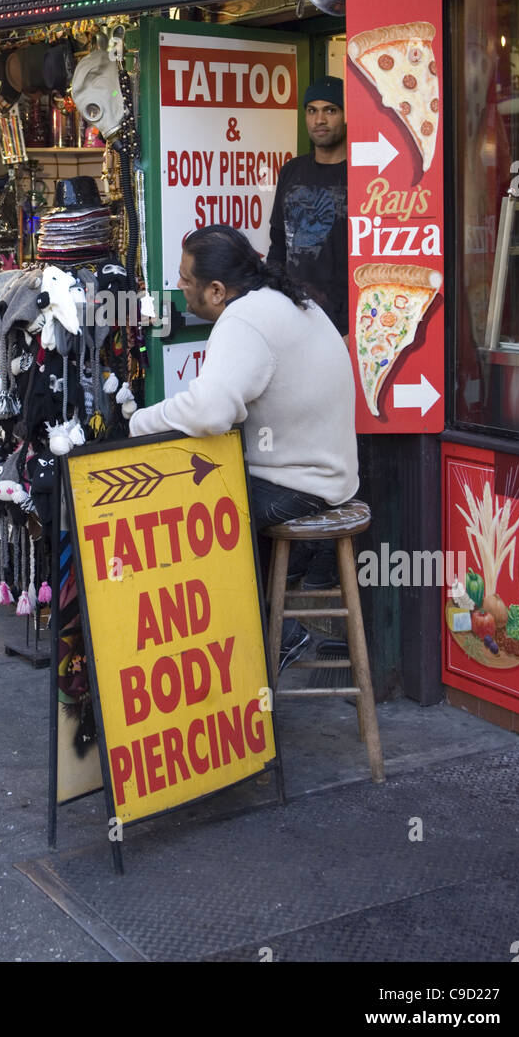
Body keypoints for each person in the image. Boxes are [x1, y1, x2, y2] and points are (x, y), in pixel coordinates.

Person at [128, 224, 359, 673]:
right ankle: (263, 630)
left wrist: (139, 422)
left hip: (302, 485)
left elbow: (211, 411)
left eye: (186, 280)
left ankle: (276, 636)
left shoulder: (244, 320)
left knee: (181, 521)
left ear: (216, 290)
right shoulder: (282, 301)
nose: (180, 288)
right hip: (329, 476)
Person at [268, 74, 349, 590]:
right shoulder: (292, 171)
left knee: (335, 441)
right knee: (293, 436)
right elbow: (277, 243)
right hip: (293, 324)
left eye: (330, 110)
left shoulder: (365, 172)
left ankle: (325, 558)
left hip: (343, 332)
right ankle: (299, 552)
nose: (320, 119)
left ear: (346, 116)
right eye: (312, 110)